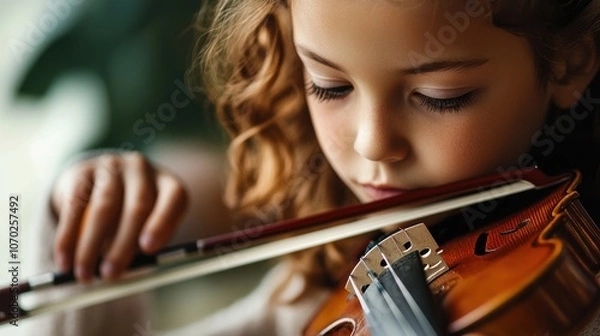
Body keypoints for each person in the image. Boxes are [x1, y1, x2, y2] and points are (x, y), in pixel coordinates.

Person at [46, 0, 600, 335]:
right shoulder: (324, 289)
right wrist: (94, 251)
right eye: (329, 85)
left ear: (571, 61)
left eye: (440, 95)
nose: (372, 143)